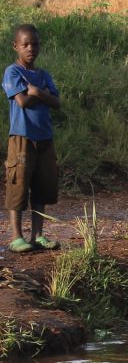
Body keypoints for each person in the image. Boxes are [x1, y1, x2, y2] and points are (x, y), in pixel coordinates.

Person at [4, 24, 61, 254]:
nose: (30, 48)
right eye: (25, 44)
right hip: (22, 138)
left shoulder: (43, 75)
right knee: (18, 186)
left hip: (45, 138)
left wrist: (35, 91)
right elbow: (22, 102)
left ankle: (37, 235)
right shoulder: (12, 72)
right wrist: (42, 94)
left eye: (34, 44)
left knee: (42, 187)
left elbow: (57, 103)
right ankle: (17, 237)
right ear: (15, 46)